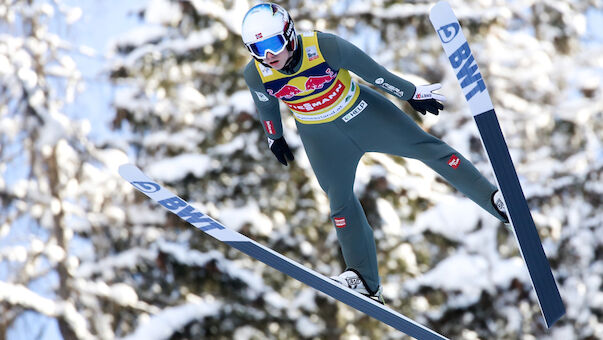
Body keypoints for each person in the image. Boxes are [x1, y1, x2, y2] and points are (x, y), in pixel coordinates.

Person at [241, 3, 508, 303]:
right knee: (339, 202)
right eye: (257, 48)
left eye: (272, 44)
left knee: (428, 148)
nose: (268, 55)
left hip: (362, 113)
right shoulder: (257, 73)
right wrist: (274, 137)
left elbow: (374, 73)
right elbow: (266, 105)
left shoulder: (324, 46)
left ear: (289, 34)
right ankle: (365, 281)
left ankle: (495, 200)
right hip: (321, 138)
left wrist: (410, 93)